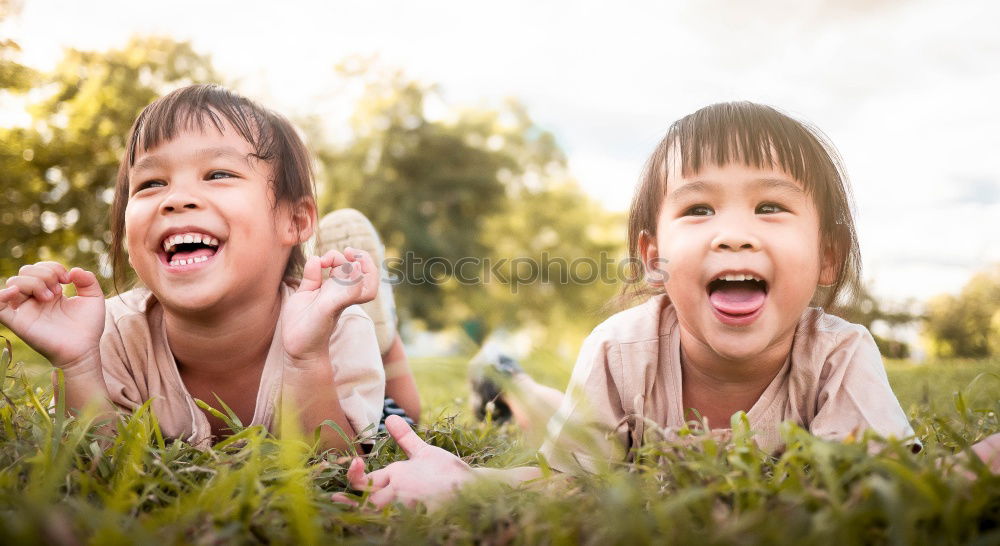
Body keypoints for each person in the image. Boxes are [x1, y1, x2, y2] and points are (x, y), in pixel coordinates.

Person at [333, 101, 998, 509]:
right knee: (545, 415)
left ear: (827, 255)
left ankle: (506, 378)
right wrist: (468, 483)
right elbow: (565, 480)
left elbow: (876, 493)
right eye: (700, 208)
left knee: (554, 410)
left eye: (770, 207)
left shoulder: (840, 356)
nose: (734, 232)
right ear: (654, 257)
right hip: (608, 392)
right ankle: (503, 378)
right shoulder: (618, 349)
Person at [0, 84, 385, 450]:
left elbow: (335, 468)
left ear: (296, 222)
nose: (177, 198)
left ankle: (384, 321)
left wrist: (306, 359)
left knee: (402, 413)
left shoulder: (335, 331)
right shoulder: (108, 332)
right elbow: (95, 465)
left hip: (346, 348)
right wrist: (78, 365)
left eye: (218, 174)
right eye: (151, 183)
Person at [318, 208, 421, 426]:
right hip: (387, 423)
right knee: (405, 419)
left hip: (336, 419)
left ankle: (338, 312)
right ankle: (379, 315)